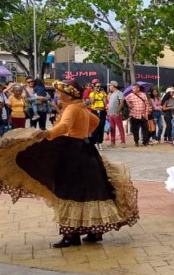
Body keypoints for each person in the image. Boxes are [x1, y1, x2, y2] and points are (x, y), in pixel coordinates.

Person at [0, 79, 139, 248]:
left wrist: (47, 133)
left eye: (59, 92)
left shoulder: (72, 108)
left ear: (67, 95)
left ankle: (71, 236)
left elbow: (65, 126)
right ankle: (94, 231)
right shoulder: (80, 107)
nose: (56, 95)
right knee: (89, 191)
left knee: (69, 191)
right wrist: (82, 134)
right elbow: (94, 120)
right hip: (86, 151)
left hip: (72, 153)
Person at [88, 81, 108, 150]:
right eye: (97, 86)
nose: (98, 88)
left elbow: (105, 103)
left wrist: (103, 96)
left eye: (99, 86)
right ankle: (95, 143)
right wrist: (94, 93)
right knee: (95, 128)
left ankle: (100, 142)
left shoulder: (103, 93)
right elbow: (92, 102)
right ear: (94, 87)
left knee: (101, 127)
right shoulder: (91, 93)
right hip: (95, 111)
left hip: (102, 111)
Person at [106, 81, 126, 147]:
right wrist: (107, 113)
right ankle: (112, 142)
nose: (109, 87)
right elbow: (109, 104)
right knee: (112, 128)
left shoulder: (119, 93)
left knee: (120, 128)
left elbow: (121, 103)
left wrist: (118, 112)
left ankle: (123, 142)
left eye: (110, 86)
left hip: (117, 113)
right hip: (110, 113)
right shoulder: (111, 94)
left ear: (113, 86)